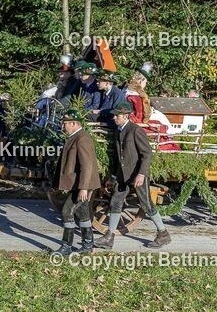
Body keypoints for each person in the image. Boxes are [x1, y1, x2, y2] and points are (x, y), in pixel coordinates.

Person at [97, 101, 171, 249]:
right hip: (122, 176)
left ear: (125, 116)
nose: (114, 118)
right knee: (115, 202)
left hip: (137, 174)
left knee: (146, 204)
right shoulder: (119, 131)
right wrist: (113, 177)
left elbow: (147, 154)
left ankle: (163, 233)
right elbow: (118, 157)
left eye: (117, 116)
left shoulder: (135, 131)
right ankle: (109, 237)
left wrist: (141, 174)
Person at [52, 107, 100, 255]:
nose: (63, 126)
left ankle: (66, 246)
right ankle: (88, 244)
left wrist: (83, 188)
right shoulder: (74, 137)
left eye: (65, 123)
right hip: (77, 184)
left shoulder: (82, 138)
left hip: (82, 185)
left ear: (73, 123)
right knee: (83, 214)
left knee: (67, 211)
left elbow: (87, 165)